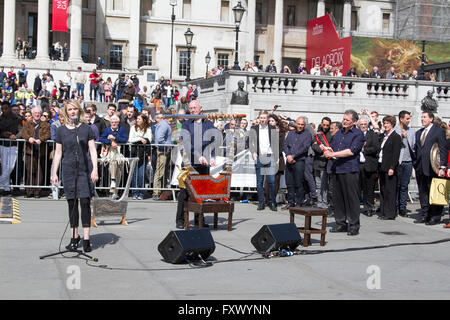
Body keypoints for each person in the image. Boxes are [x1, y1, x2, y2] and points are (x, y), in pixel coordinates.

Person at [51, 100, 98, 253]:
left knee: (84, 202)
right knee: (72, 205)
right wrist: (54, 172)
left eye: (75, 109)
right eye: (69, 109)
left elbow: (92, 150)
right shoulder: (61, 131)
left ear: (79, 111)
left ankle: (86, 239)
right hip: (68, 170)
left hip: (84, 170)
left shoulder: (86, 129)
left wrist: (95, 169)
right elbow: (58, 153)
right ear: (66, 112)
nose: (72, 112)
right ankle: (74, 236)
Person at [175, 99, 217, 229]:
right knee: (184, 192)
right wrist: (199, 156)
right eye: (190, 108)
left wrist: (213, 156)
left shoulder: (208, 124)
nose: (192, 110)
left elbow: (215, 139)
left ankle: (199, 219)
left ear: (201, 109)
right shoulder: (187, 125)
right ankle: (180, 219)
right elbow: (186, 144)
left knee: (201, 192)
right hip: (189, 162)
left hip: (204, 163)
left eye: (194, 108)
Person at [324, 110, 364, 236]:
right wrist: (327, 150)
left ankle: (353, 225)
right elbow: (334, 148)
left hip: (349, 169)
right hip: (337, 169)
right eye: (344, 119)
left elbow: (351, 151)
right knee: (338, 198)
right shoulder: (339, 133)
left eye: (347, 120)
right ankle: (340, 223)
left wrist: (333, 154)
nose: (344, 122)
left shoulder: (358, 134)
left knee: (351, 198)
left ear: (354, 121)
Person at [413, 111, 447, 225]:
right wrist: (415, 164)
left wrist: (443, 167)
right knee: (423, 192)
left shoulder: (439, 131)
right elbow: (417, 150)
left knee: (434, 192)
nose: (422, 119)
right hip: (421, 168)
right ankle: (425, 214)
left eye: (425, 117)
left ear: (431, 119)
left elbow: (443, 149)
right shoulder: (419, 133)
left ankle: (435, 216)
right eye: (422, 117)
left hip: (433, 167)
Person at [250, 110, 278, 211]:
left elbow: (275, 143)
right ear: (259, 118)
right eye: (261, 118)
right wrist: (253, 152)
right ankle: (261, 202)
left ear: (267, 119)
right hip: (259, 156)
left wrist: (277, 157)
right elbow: (250, 142)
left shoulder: (272, 128)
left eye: (264, 118)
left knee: (271, 181)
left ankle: (272, 202)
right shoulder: (254, 128)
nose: (262, 120)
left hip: (270, 157)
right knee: (259, 182)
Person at [21, 107, 51, 198]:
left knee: (39, 171)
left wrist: (41, 140)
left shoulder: (45, 124)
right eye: (35, 113)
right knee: (30, 171)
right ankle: (29, 191)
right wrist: (28, 138)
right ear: (32, 114)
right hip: (29, 150)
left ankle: (37, 191)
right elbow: (23, 133)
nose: (37, 114)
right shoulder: (27, 124)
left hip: (40, 151)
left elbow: (48, 134)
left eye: (39, 113)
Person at [284, 116, 311, 209]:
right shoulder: (291, 133)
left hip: (299, 160)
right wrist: (288, 155)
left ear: (304, 125)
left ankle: (299, 202)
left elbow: (304, 148)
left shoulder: (307, 135)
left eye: (302, 124)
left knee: (298, 182)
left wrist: (293, 156)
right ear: (296, 123)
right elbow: (286, 145)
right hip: (289, 160)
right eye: (298, 124)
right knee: (289, 182)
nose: (300, 126)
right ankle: (291, 202)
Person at [377, 115, 402, 220]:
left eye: (387, 123)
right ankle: (383, 211)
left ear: (392, 124)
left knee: (390, 191)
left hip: (390, 167)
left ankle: (390, 213)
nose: (385, 125)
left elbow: (396, 154)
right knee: (383, 189)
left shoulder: (396, 137)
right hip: (381, 165)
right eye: (384, 123)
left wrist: (392, 167)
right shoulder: (384, 135)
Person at [99, 115, 128, 199]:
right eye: (112, 122)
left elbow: (125, 139)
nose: (113, 124)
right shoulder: (107, 130)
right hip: (111, 154)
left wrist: (115, 138)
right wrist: (110, 141)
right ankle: (112, 183)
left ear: (118, 123)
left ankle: (116, 191)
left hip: (120, 153)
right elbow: (101, 138)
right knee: (113, 164)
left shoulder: (122, 129)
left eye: (115, 122)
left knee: (119, 172)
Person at [357, 115, 380, 217]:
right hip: (357, 165)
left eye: (365, 124)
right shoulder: (356, 135)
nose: (363, 126)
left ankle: (369, 208)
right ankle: (355, 207)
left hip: (369, 164)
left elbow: (376, 148)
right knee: (357, 188)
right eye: (361, 124)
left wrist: (364, 149)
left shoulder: (372, 134)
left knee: (369, 188)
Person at [394, 110, 416, 217]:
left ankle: (402, 207)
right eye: (407, 119)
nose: (408, 121)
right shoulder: (395, 130)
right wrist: (400, 137)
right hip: (398, 161)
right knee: (396, 185)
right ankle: (395, 206)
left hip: (408, 161)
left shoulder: (411, 131)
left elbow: (413, 146)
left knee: (404, 185)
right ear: (401, 119)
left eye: (409, 118)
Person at [128, 114, 152, 200]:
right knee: (134, 174)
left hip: (143, 154)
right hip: (134, 153)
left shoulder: (148, 129)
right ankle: (134, 192)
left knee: (141, 174)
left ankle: (141, 192)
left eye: (139, 119)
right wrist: (139, 139)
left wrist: (141, 139)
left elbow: (148, 139)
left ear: (143, 120)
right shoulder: (133, 128)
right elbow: (131, 139)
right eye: (137, 118)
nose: (137, 120)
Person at [312, 117, 332, 209]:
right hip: (317, 162)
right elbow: (313, 146)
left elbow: (329, 148)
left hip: (325, 163)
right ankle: (319, 201)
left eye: (327, 125)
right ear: (321, 123)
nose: (325, 127)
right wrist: (320, 149)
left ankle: (324, 201)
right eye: (324, 124)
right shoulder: (317, 134)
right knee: (318, 184)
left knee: (324, 184)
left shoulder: (330, 134)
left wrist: (321, 149)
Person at [0, 101, 20, 195]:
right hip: (3, 144)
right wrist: (2, 134)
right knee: (4, 166)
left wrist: (16, 136)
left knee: (11, 166)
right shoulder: (0, 119)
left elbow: (21, 130)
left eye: (6, 108)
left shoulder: (16, 118)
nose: (4, 110)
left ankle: (1, 180)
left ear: (9, 108)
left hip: (13, 145)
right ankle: (6, 188)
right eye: (3, 109)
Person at [152, 111, 172, 200]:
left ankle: (158, 192)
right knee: (159, 172)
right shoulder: (164, 125)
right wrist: (167, 146)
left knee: (161, 171)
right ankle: (156, 192)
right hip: (162, 150)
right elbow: (160, 138)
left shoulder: (163, 124)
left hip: (162, 150)